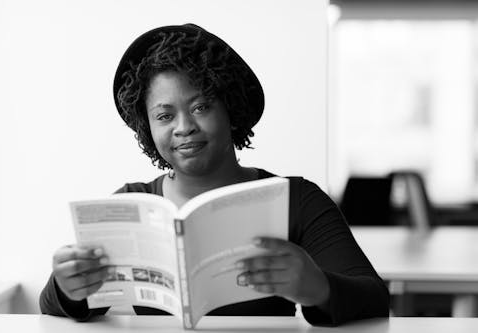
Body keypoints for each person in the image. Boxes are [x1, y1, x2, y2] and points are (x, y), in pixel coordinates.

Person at [39, 23, 389, 326]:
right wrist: (68, 286)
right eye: (164, 116)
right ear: (148, 129)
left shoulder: (296, 199)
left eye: (201, 107)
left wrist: (318, 287)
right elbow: (53, 306)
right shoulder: (131, 204)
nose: (184, 127)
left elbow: (374, 297)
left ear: (230, 109)